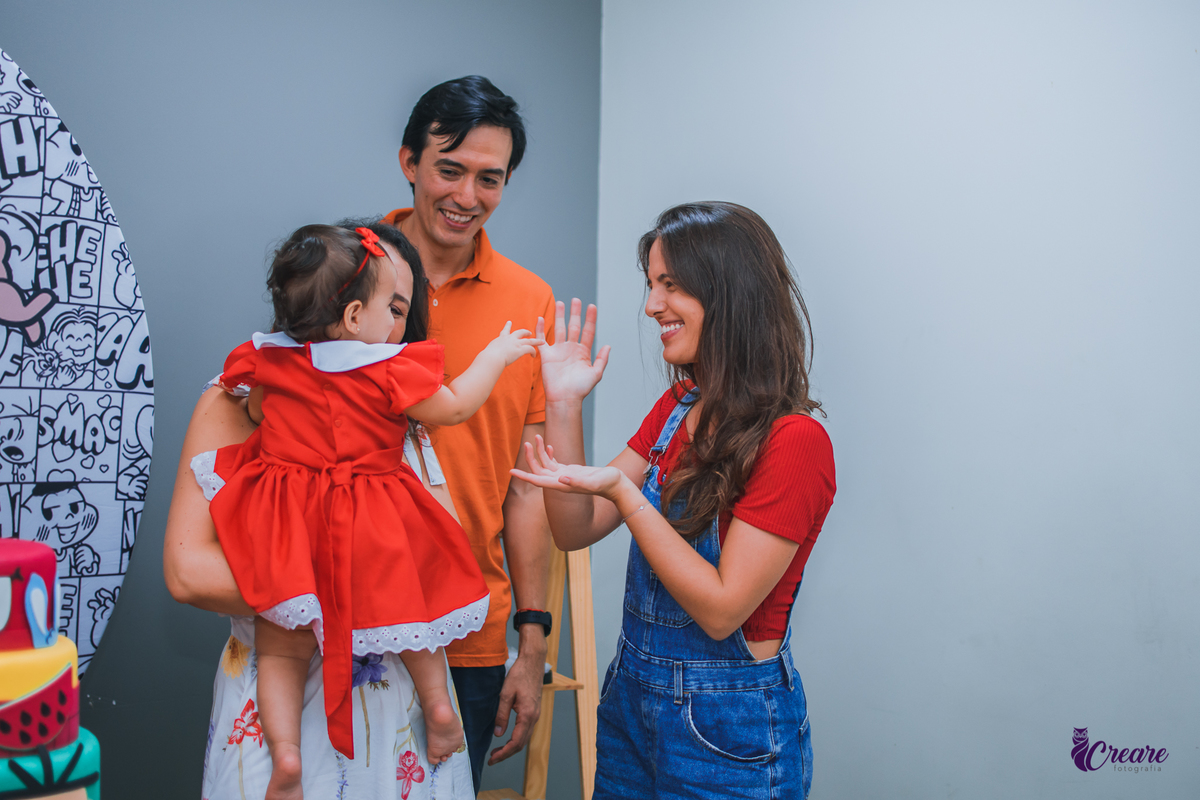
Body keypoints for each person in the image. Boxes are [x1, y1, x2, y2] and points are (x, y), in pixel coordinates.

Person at [195, 223, 542, 799]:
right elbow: (454, 407)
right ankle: (437, 707)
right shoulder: (387, 370)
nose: (399, 325)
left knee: (279, 644)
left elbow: (255, 407)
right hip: (368, 518)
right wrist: (498, 354)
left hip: (292, 530)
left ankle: (284, 754)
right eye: (395, 308)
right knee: (415, 617)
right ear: (356, 317)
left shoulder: (273, 360)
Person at [512, 203, 837, 799]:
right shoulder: (681, 407)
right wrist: (562, 404)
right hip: (631, 703)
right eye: (650, 284)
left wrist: (627, 497)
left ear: (728, 294)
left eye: (671, 285)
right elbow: (574, 527)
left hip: (726, 729)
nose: (651, 306)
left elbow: (721, 609)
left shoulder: (795, 442)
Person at [382, 75, 555, 791]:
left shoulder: (529, 301)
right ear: (409, 162)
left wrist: (531, 642)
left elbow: (525, 486)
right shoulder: (346, 271)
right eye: (449, 169)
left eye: (490, 179)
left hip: (473, 635)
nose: (466, 196)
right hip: (348, 615)